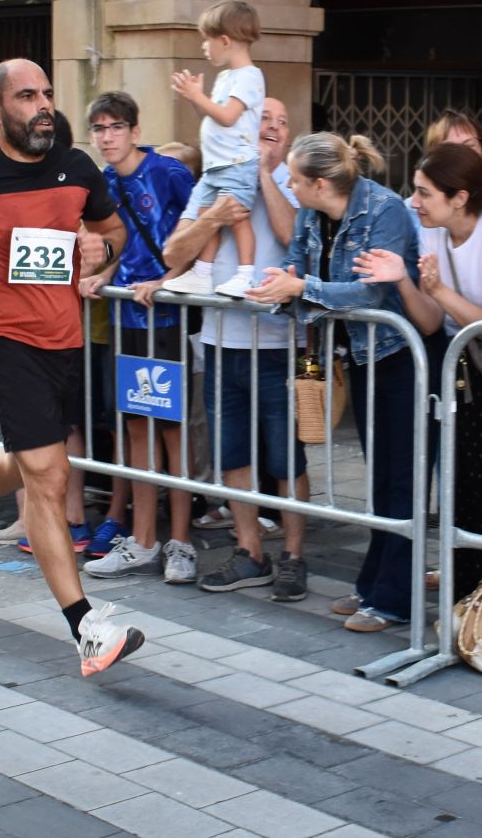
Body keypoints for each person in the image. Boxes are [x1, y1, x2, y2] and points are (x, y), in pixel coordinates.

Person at [0, 59, 143, 678]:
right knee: (47, 471)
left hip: (62, 335)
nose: (42, 105)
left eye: (46, 94)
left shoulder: (78, 166)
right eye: (26, 96)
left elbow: (112, 229)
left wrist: (104, 253)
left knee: (28, 457)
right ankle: (86, 627)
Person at [249, 132, 422, 633]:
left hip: (395, 355)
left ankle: (392, 599)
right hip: (354, 354)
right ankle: (374, 587)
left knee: (399, 480)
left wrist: (301, 287)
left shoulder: (384, 210)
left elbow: (371, 294)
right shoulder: (310, 214)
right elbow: (301, 272)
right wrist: (280, 286)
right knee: (380, 478)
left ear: (319, 182)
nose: (289, 187)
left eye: (295, 180)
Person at [361, 142, 482, 597]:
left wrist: (439, 291)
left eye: (424, 193)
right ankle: (469, 595)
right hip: (457, 370)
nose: (412, 202)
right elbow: (432, 321)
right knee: (461, 485)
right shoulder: (430, 230)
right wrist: (402, 278)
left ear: (459, 197)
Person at [172, 96, 309, 599]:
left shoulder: (297, 186)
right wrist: (212, 218)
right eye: (263, 119)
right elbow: (173, 251)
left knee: (286, 457)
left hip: (276, 345)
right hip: (219, 342)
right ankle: (250, 551)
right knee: (233, 456)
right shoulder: (212, 182)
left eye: (281, 121)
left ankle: (294, 556)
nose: (271, 127)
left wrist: (265, 175)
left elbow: (294, 238)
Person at [79, 91, 199, 583]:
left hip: (168, 319)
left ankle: (182, 543)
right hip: (128, 318)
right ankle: (143, 540)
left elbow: (199, 236)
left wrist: (167, 281)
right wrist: (99, 273)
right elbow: (120, 240)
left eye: (115, 128)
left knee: (172, 431)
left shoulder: (170, 172)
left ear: (133, 129)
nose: (107, 138)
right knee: (135, 428)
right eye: (99, 129)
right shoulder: (103, 181)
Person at [161, 0, 265, 299]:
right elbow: (214, 118)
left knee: (238, 218)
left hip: (236, 163)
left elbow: (228, 116)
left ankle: (246, 274)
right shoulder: (226, 77)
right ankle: (202, 273)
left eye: (207, 39)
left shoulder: (249, 76)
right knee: (208, 218)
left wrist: (197, 96)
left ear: (225, 40)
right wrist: (196, 99)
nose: (204, 47)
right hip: (216, 165)